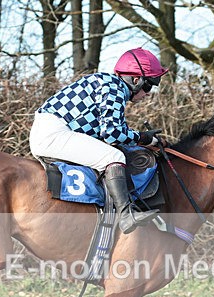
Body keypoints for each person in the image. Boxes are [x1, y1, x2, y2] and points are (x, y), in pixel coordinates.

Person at [30, 48, 168, 234]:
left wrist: (137, 137)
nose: (148, 93)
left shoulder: (108, 83)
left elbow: (110, 132)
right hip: (53, 134)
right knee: (114, 156)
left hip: (51, 130)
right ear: (136, 80)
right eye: (149, 85)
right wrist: (144, 138)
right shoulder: (114, 88)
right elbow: (112, 133)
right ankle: (126, 215)